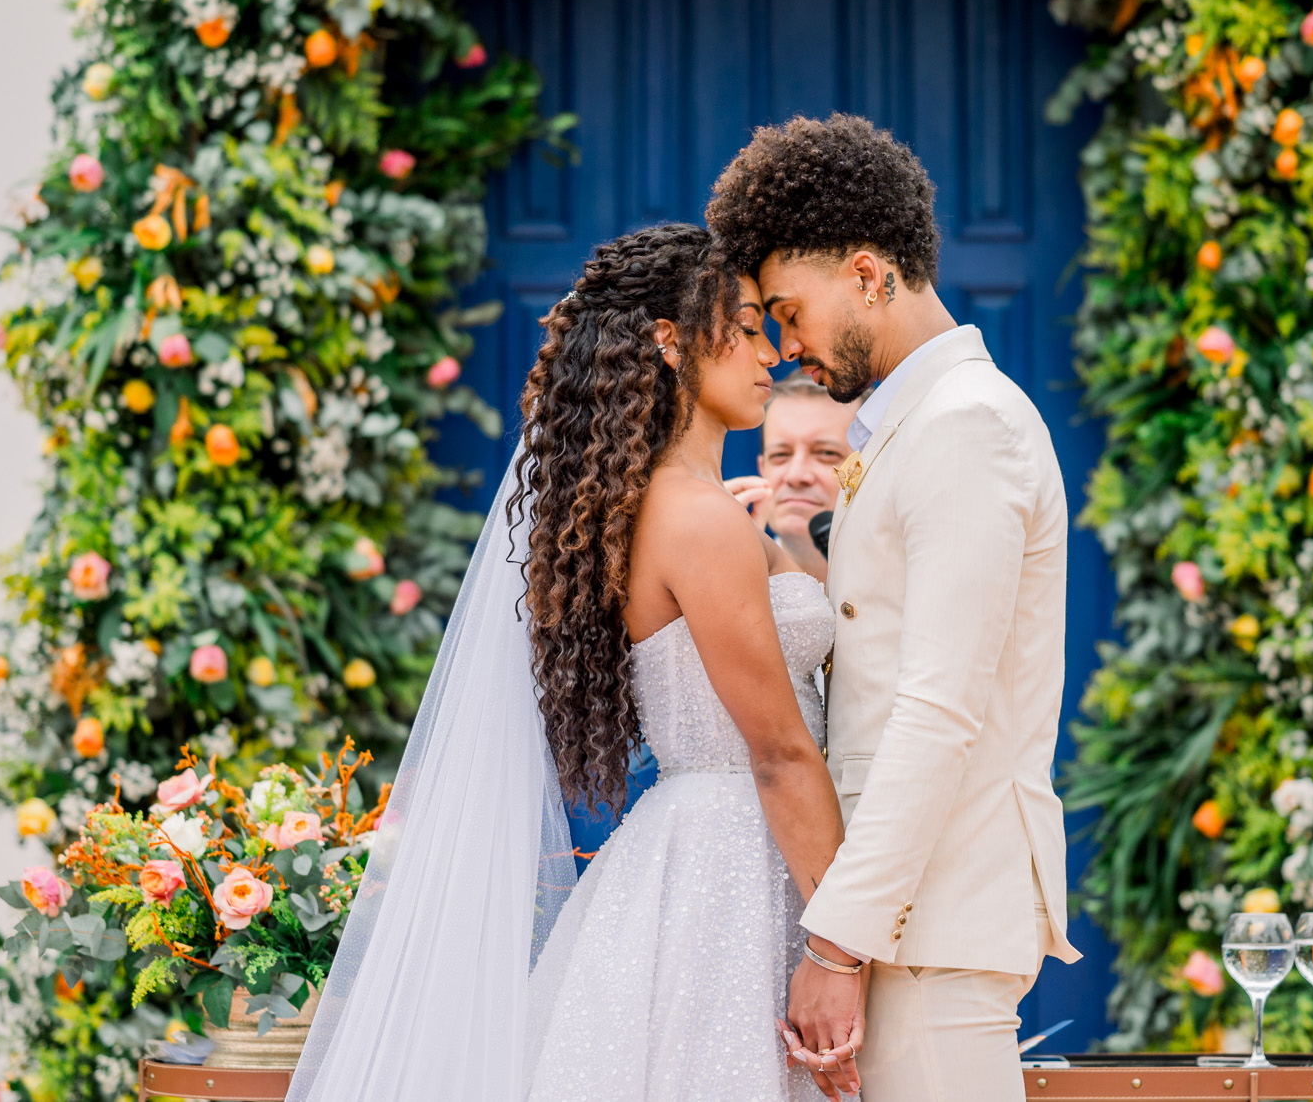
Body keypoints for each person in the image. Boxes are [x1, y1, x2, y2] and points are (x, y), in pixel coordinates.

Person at [283, 223, 860, 1102]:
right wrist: (839, 947)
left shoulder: (667, 507)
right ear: (670, 342)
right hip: (735, 865)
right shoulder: (698, 518)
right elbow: (779, 752)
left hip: (698, 854)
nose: (771, 351)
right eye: (743, 327)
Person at [708, 113, 1080, 1102]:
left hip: (936, 917)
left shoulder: (968, 427)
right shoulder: (909, 427)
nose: (783, 346)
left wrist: (835, 945)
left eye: (789, 312)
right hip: (900, 918)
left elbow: (938, 708)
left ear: (867, 275)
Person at [727, 372, 859, 581]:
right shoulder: (725, 575)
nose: (796, 475)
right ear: (762, 469)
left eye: (826, 453)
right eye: (780, 455)